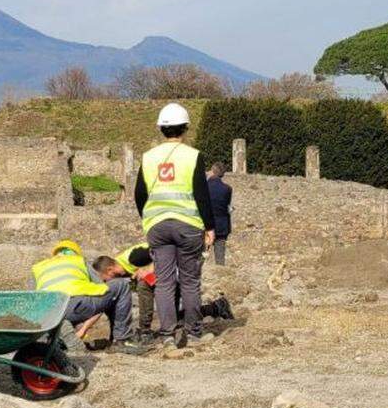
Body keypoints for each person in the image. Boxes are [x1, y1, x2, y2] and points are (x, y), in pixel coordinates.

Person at [134, 103, 216, 347]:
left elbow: (140, 193)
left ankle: (167, 336)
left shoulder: (148, 157)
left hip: (157, 227)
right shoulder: (193, 156)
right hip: (188, 225)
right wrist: (209, 228)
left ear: (161, 129)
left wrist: (149, 219)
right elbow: (202, 195)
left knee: (164, 281)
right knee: (190, 281)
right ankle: (193, 333)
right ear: (186, 128)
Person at [29, 240, 146, 354]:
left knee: (63, 313)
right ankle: (122, 339)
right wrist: (84, 329)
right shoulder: (79, 261)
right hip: (75, 306)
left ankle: (56, 340)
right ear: (76, 252)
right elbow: (101, 289)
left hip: (51, 315)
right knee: (121, 285)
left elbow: (35, 297)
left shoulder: (39, 268)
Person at [91, 252, 235, 333]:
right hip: (166, 274)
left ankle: (145, 329)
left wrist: (149, 268)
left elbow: (164, 251)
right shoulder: (121, 270)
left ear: (110, 270)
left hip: (177, 269)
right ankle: (216, 308)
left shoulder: (133, 257)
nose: (107, 282)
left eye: (106, 279)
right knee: (173, 317)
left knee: (144, 287)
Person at [206, 163, 233, 265]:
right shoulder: (227, 189)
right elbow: (226, 206)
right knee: (220, 258)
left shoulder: (204, 187)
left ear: (212, 171)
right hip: (222, 226)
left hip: (206, 225)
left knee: (201, 255)